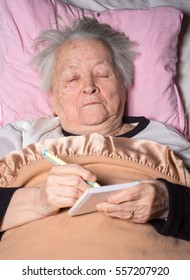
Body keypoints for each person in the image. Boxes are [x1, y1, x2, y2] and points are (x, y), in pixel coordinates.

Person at [0, 17, 190, 241]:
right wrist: (39, 200)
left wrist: (168, 204)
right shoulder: (20, 136)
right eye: (71, 79)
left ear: (124, 87)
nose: (89, 87)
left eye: (102, 74)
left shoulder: (166, 139)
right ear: (52, 99)